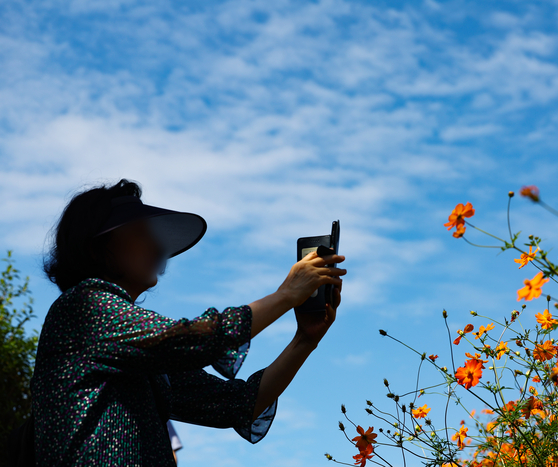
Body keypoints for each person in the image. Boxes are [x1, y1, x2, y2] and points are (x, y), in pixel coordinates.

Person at [29, 178, 346, 466]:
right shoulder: (84, 306)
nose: (157, 246)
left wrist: (305, 340)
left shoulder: (136, 352)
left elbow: (234, 404)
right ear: (100, 245)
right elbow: (195, 338)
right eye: (140, 233)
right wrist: (285, 296)